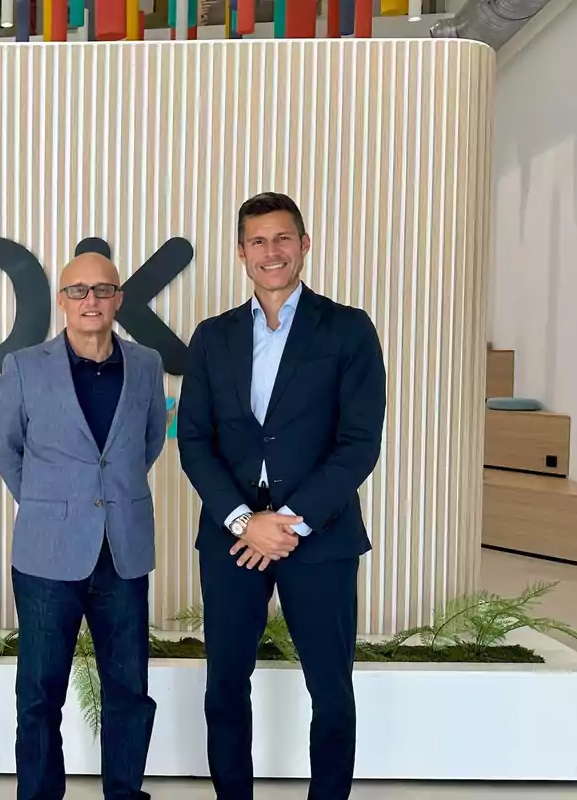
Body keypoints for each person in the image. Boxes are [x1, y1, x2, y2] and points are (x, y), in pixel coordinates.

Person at [175, 192, 386, 800]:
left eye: (283, 238)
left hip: (318, 537)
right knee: (225, 688)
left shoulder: (347, 328)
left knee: (331, 689)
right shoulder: (212, 337)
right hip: (231, 540)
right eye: (258, 241)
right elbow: (193, 440)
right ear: (241, 253)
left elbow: (358, 442)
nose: (272, 252)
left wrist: (287, 522)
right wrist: (244, 520)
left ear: (305, 245)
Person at [0, 251, 167, 800]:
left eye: (102, 289)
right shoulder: (24, 366)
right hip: (46, 554)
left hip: (123, 549)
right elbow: (5, 448)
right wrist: (50, 502)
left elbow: (149, 441)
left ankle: (124, 793)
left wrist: (106, 500)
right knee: (41, 693)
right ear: (62, 301)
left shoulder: (146, 364)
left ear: (118, 298)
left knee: (129, 690)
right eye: (78, 290)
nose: (91, 300)